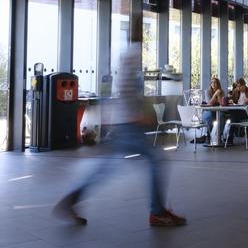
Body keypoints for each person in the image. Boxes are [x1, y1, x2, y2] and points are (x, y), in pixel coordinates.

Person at [54, 20, 186, 227]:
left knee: (106, 168)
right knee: (156, 159)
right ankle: (158, 212)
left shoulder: (127, 53)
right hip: (128, 123)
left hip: (122, 122)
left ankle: (73, 199)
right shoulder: (133, 54)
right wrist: (136, 115)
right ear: (139, 33)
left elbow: (121, 88)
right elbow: (125, 88)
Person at [198, 77, 225, 143]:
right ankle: (208, 135)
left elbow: (221, 104)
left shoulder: (221, 92)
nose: (213, 84)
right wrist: (215, 94)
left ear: (218, 84)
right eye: (212, 82)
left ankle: (219, 136)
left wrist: (218, 95)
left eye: (215, 82)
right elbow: (209, 103)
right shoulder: (207, 91)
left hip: (217, 112)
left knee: (221, 116)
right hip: (208, 111)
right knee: (209, 117)